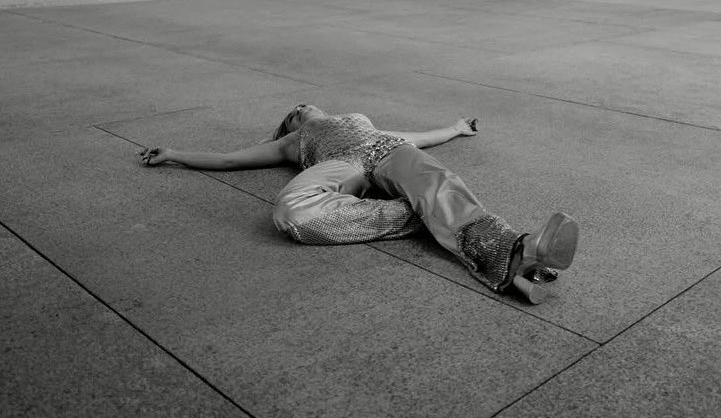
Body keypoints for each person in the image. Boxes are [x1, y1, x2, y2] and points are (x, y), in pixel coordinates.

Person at [140, 104, 578, 303]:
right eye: (294, 111)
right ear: (290, 125)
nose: (302, 107)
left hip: (387, 149)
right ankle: (420, 217)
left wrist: (455, 128)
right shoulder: (293, 141)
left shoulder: (359, 119)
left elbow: (415, 137)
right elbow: (229, 159)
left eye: (303, 105)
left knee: (441, 183)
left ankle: (518, 251)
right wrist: (175, 153)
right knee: (292, 212)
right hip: (341, 165)